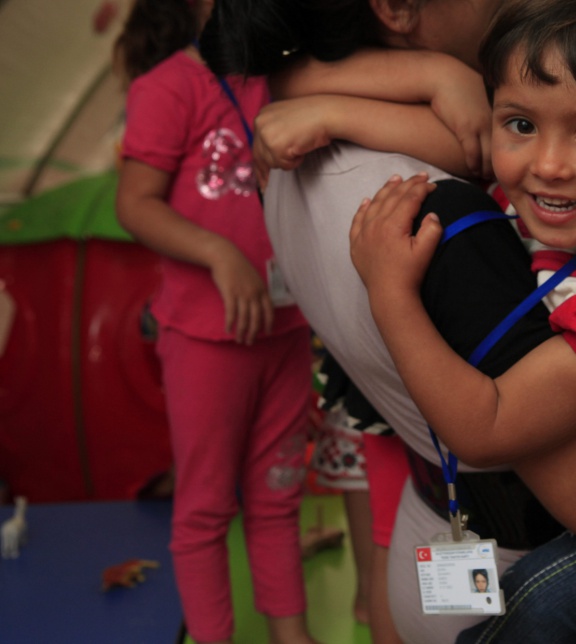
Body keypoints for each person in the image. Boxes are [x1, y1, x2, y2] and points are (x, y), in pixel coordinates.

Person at [201, 0, 576, 641]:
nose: (547, 164)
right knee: (545, 612)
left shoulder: (297, 165)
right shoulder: (443, 217)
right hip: (518, 544)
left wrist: (384, 92)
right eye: (519, 124)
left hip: (444, 523)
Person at [113, 2, 316, 643]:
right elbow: (134, 204)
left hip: (285, 328)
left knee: (278, 494)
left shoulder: (289, 74)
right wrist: (219, 252)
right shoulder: (168, 86)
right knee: (204, 507)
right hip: (205, 336)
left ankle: (291, 635)